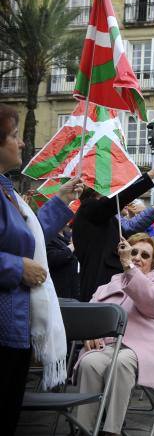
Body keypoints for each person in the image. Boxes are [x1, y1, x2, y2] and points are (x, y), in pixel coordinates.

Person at [0, 104, 83, 433]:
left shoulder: (7, 192)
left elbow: (26, 237)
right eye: (14, 135)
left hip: (14, 326)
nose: (21, 144)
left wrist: (61, 199)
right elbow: (20, 253)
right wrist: (15, 267)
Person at [75, 233, 154, 435]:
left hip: (145, 348)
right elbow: (91, 316)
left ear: (153, 263)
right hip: (108, 346)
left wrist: (129, 267)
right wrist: (89, 334)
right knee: (89, 362)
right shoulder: (106, 286)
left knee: (121, 362)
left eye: (144, 256)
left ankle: (111, 430)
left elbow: (151, 303)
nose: (137, 257)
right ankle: (83, 429)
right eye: (133, 252)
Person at [72, 162, 154, 302]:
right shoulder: (90, 208)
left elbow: (128, 230)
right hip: (100, 289)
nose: (115, 189)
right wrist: (150, 175)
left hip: (112, 288)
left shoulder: (104, 216)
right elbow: (118, 199)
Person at [46, 224, 79, 299]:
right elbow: (54, 259)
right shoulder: (48, 236)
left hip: (74, 287)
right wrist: (73, 246)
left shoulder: (68, 235)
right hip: (61, 290)